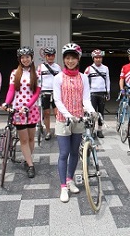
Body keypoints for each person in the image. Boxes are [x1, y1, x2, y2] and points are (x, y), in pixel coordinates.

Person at [53, 43, 96, 203]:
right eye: (67, 58)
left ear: (78, 59)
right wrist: (68, 115)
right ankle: (63, 186)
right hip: (63, 120)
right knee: (64, 153)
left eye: (73, 58)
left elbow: (86, 98)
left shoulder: (83, 77)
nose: (70, 61)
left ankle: (70, 179)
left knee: (74, 152)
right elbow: (57, 100)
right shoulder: (58, 78)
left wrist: (91, 111)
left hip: (78, 120)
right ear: (64, 59)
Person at [2, 46, 40, 178]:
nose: (25, 59)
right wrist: (7, 102)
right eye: (22, 57)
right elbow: (11, 90)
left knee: (30, 138)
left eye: (27, 57)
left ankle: (27, 159)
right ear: (19, 59)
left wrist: (28, 106)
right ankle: (30, 165)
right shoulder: (14, 73)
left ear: (31, 58)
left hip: (32, 110)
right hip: (18, 110)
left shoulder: (36, 74)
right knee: (23, 139)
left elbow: (37, 93)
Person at [84, 49, 110, 138]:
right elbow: (84, 82)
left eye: (99, 58)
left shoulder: (105, 68)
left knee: (101, 112)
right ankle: (92, 130)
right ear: (93, 58)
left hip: (102, 92)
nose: (98, 59)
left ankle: (99, 130)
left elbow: (108, 80)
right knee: (92, 113)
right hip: (92, 93)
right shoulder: (88, 69)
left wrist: (108, 92)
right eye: (96, 58)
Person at [37, 47, 62, 140]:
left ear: (54, 56)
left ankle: (58, 130)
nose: (50, 57)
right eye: (48, 55)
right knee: (46, 113)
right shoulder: (41, 67)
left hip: (55, 92)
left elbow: (61, 80)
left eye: (52, 55)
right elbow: (38, 80)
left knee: (57, 113)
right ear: (45, 56)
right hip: (44, 92)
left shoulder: (58, 67)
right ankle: (48, 131)